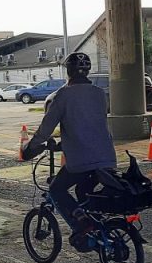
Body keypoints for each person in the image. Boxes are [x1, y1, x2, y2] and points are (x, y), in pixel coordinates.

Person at [22, 52, 115, 249]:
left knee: (56, 190)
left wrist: (30, 148)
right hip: (107, 157)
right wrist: (66, 143)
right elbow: (90, 125)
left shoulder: (63, 95)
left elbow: (46, 129)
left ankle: (81, 227)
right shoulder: (100, 94)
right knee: (84, 191)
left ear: (69, 72)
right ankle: (97, 231)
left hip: (81, 160)